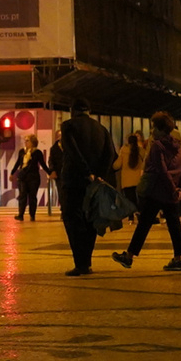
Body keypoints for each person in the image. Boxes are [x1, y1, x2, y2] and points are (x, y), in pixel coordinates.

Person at [113, 111, 181, 272]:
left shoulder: (157, 146)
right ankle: (178, 259)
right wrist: (179, 189)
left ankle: (129, 256)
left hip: (157, 190)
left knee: (144, 223)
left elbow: (161, 170)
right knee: (174, 224)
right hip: (171, 191)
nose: (152, 131)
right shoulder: (177, 145)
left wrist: (171, 188)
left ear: (161, 129)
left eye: (154, 127)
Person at [48, 100, 118, 276]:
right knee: (90, 221)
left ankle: (80, 263)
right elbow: (111, 153)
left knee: (72, 220)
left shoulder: (68, 126)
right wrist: (99, 174)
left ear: (72, 111)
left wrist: (86, 172)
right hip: (94, 182)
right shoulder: (100, 128)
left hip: (73, 181)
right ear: (89, 111)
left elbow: (72, 151)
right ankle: (87, 261)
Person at [11, 134, 46, 220]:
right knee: (22, 195)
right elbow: (18, 163)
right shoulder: (22, 152)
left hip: (33, 177)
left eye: (27, 141)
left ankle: (32, 215)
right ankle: (21, 214)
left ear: (33, 142)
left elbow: (42, 164)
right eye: (25, 141)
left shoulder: (37, 152)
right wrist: (12, 173)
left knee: (32, 196)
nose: (25, 143)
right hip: (23, 177)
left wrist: (50, 172)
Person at [118, 131, 146, 222]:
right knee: (138, 198)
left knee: (129, 198)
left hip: (127, 180)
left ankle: (131, 217)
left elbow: (118, 165)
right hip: (139, 179)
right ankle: (139, 212)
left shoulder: (123, 150)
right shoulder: (141, 151)